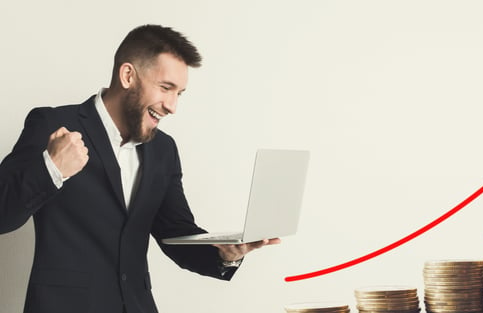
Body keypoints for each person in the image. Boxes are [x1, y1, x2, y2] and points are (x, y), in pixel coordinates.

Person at [0, 24, 279, 313]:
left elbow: (176, 232)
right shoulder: (52, 125)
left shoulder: (164, 150)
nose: (172, 106)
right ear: (128, 75)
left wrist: (223, 253)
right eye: (166, 88)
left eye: (179, 93)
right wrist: (52, 169)